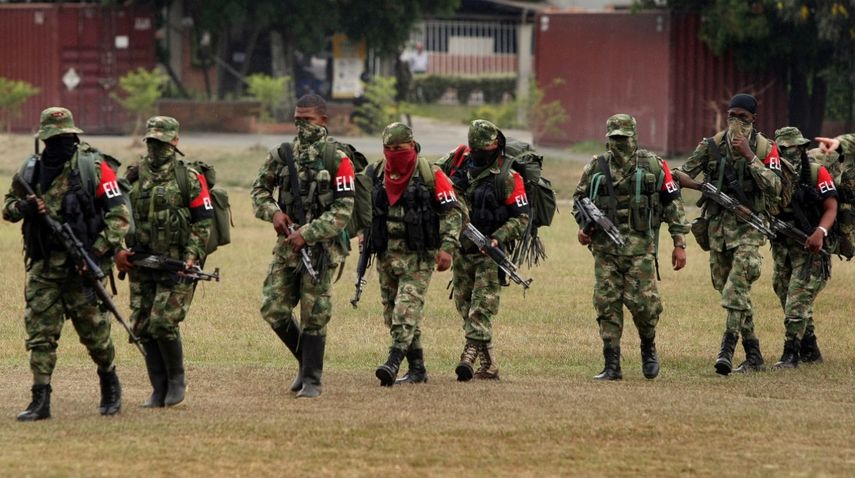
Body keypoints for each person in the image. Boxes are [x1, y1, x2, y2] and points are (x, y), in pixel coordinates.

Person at [2, 107, 129, 420]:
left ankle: (109, 382)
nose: (58, 143)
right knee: (40, 334)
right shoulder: (31, 170)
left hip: (83, 267)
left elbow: (119, 217)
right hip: (44, 267)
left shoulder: (94, 167)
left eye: (63, 137)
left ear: (73, 136)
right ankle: (40, 399)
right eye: (53, 138)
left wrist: (96, 254)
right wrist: (25, 207)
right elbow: (7, 208)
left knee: (96, 333)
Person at [251, 93, 355, 398]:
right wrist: (274, 213)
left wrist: (308, 234)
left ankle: (312, 379)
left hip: (321, 249)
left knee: (314, 312)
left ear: (323, 120)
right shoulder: (281, 155)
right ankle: (303, 361)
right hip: (288, 246)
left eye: (307, 120)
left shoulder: (338, 158)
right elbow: (258, 191)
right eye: (297, 120)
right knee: (273, 307)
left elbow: (343, 210)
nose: (301, 126)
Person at [573, 114, 689, 380]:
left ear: (634, 137)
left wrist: (679, 243)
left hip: (640, 250)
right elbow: (579, 199)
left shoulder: (654, 165)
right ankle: (611, 364)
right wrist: (583, 227)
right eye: (613, 139)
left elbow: (673, 205)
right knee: (606, 304)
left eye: (623, 139)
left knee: (645, 305)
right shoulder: (595, 167)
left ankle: (648, 348)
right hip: (605, 251)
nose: (618, 144)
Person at [673, 93, 782, 376]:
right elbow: (679, 174)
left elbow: (775, 187)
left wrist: (749, 155)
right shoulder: (711, 145)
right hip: (718, 230)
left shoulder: (764, 147)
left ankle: (727, 350)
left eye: (743, 118)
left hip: (750, 229)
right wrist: (699, 187)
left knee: (735, 290)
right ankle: (755, 354)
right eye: (732, 115)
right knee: (730, 290)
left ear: (754, 119)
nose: (736, 122)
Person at [115, 116, 213, 408]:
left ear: (175, 142)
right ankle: (158, 388)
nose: (156, 148)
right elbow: (114, 215)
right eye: (152, 142)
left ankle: (176, 382)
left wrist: (191, 256)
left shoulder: (189, 178)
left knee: (163, 322)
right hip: (141, 264)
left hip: (176, 264)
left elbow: (203, 222)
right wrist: (118, 251)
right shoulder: (133, 176)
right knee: (143, 325)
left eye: (162, 142)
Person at [367, 123, 463, 386]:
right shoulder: (376, 173)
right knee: (392, 313)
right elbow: (363, 208)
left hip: (419, 257)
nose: (394, 153)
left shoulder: (431, 175)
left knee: (405, 309)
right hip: (387, 255)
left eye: (400, 148)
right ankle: (418, 368)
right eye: (389, 149)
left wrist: (447, 248)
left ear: (412, 146)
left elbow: (453, 213)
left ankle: (393, 362)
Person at [437, 119, 529, 381]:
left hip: (490, 253)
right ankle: (489, 366)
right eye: (475, 148)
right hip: (462, 250)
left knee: (481, 307)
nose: (479, 153)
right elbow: (433, 176)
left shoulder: (508, 177)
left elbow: (521, 218)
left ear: (496, 145)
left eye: (485, 148)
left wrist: (498, 238)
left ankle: (468, 357)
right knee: (464, 305)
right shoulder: (458, 163)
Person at [770, 127, 837, 368]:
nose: (793, 153)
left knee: (796, 302)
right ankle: (811, 349)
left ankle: (791, 354)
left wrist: (820, 232)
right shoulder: (770, 173)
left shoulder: (815, 171)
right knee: (783, 291)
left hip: (812, 250)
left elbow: (831, 206)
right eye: (786, 149)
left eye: (797, 148)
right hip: (782, 247)